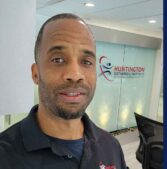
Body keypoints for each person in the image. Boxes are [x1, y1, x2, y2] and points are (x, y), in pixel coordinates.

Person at [0, 13, 127, 169]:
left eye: (86, 62)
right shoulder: (5, 155)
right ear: (36, 74)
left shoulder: (111, 146)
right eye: (58, 59)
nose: (75, 75)